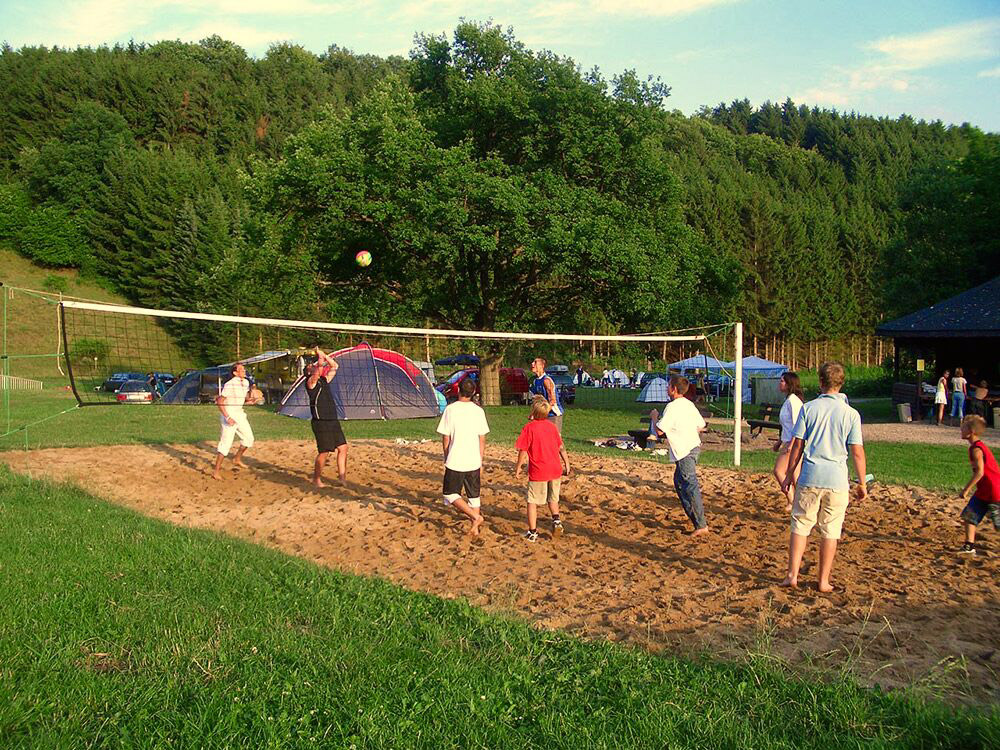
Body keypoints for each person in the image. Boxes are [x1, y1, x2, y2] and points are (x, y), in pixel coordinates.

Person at [781, 361, 866, 592]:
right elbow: (857, 452)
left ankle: (792, 575)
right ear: (842, 383)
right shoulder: (851, 414)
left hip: (810, 476)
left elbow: (797, 445)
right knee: (831, 530)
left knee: (800, 525)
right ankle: (823, 581)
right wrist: (861, 482)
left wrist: (789, 473)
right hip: (837, 480)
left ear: (820, 382)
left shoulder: (809, 409)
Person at [653, 376, 709, 536]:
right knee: (679, 482)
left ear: (674, 389)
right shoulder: (689, 404)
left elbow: (659, 431)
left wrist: (654, 417)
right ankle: (696, 520)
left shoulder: (672, 407)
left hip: (685, 450)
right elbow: (701, 425)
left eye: (668, 386)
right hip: (691, 447)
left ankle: (701, 525)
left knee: (690, 485)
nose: (666, 388)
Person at [436, 377, 490, 535]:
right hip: (473, 459)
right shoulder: (478, 411)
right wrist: (480, 461)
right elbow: (482, 438)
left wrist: (446, 455)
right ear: (473, 392)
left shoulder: (450, 410)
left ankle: (475, 517)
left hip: (456, 459)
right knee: (474, 495)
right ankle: (475, 528)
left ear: (458, 390)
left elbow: (446, 437)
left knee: (450, 494)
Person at [515, 397, 572, 541]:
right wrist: (567, 463)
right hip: (555, 469)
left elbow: (523, 450)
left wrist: (518, 468)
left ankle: (532, 532)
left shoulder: (529, 428)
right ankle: (557, 520)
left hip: (539, 471)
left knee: (532, 502)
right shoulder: (552, 427)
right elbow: (561, 447)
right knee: (553, 499)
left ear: (533, 412)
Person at [957, 414, 1000, 555]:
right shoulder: (975, 447)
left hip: (994, 491)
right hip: (984, 490)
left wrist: (966, 490)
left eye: (963, 428)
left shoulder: (976, 449)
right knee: (969, 516)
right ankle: (969, 546)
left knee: (998, 524)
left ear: (971, 432)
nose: (960, 430)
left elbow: (980, 472)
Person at [306, 347, 348, 487]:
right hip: (321, 421)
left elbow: (335, 366)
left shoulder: (324, 380)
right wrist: (320, 359)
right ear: (308, 372)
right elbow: (317, 373)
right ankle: (316, 478)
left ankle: (342, 478)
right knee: (324, 452)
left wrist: (324, 356)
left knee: (343, 447)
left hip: (332, 419)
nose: (313, 366)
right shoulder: (310, 383)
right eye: (310, 366)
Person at [212, 362, 256, 480]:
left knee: (249, 439)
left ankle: (237, 459)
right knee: (226, 444)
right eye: (241, 370)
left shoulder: (246, 382)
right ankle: (216, 471)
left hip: (240, 413)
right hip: (229, 413)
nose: (244, 371)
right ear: (235, 373)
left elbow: (241, 398)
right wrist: (227, 417)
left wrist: (249, 401)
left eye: (244, 369)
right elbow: (220, 401)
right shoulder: (230, 384)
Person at [772, 371, 805, 512]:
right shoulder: (789, 400)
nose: (780, 383)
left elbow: (798, 425)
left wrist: (791, 445)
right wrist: (779, 441)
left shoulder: (793, 401)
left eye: (782, 381)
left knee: (779, 471)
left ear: (789, 384)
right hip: (788, 440)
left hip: (794, 443)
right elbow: (788, 425)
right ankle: (801, 503)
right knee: (795, 476)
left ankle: (793, 501)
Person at [529, 357, 564, 433]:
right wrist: (533, 413)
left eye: (535, 362)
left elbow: (553, 400)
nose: (532, 364)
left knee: (555, 440)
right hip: (544, 414)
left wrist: (543, 412)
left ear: (542, 366)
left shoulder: (546, 380)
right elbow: (536, 400)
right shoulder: (535, 381)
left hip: (553, 414)